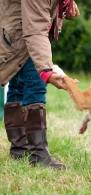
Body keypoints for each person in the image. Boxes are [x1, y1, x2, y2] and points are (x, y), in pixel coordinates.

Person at [0, 0, 80, 170]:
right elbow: (36, 30)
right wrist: (46, 71)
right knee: (35, 84)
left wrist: (64, 5)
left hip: (17, 31)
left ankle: (20, 149)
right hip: (22, 36)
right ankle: (38, 154)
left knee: (18, 86)